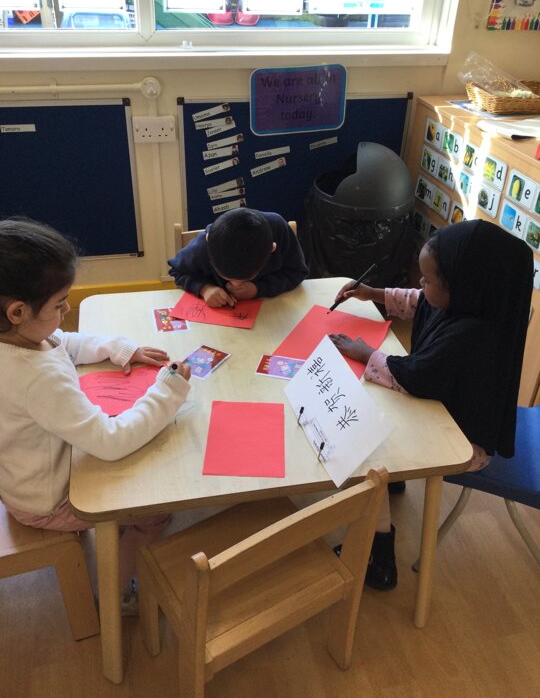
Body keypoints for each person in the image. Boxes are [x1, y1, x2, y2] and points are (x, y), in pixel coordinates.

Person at [0, 218, 192, 614]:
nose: (67, 309)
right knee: (156, 510)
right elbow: (110, 442)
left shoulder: (21, 339)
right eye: (59, 304)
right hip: (50, 500)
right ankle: (117, 594)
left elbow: (65, 343)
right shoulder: (36, 377)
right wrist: (168, 391)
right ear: (18, 311)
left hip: (26, 476)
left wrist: (118, 349)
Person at [329, 220, 534, 590]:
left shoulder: (473, 335)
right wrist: (372, 293)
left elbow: (415, 377)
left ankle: (378, 555)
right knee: (369, 411)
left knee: (359, 442)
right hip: (445, 411)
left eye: (427, 279)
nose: (419, 284)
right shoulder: (469, 302)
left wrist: (365, 352)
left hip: (461, 441)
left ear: (463, 285)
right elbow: (419, 301)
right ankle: (392, 485)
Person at [167, 208, 309, 308]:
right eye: (227, 277)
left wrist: (258, 289)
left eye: (245, 278)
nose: (235, 285)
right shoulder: (203, 246)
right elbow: (177, 270)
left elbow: (297, 272)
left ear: (272, 249)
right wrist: (204, 288)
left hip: (271, 315)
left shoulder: (279, 230)